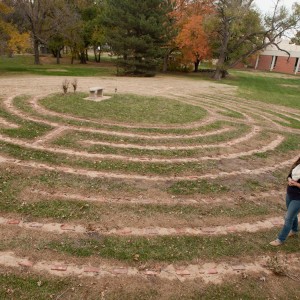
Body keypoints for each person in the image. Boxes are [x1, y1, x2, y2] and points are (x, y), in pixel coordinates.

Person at [270, 157, 300, 246]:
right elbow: (289, 175)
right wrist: (290, 180)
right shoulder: (297, 164)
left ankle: (280, 239)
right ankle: (294, 230)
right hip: (290, 194)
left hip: (298, 198)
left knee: (288, 218)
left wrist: (297, 184)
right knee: (292, 215)